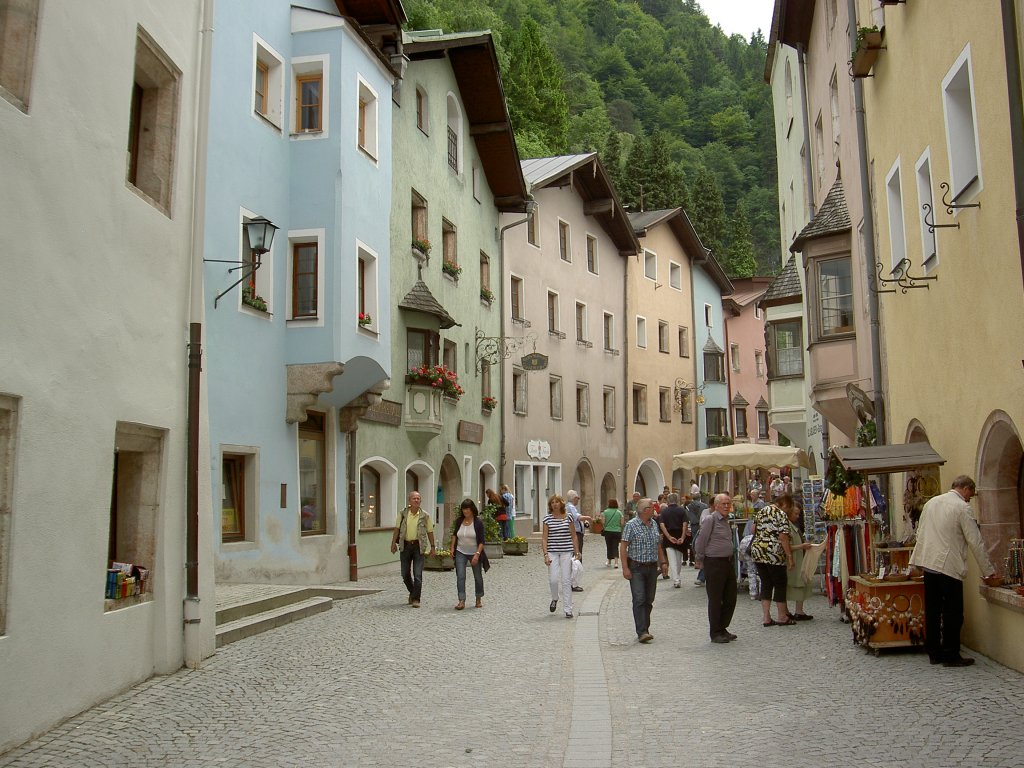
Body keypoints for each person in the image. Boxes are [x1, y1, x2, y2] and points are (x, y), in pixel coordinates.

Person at [910, 476, 1001, 667]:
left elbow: (920, 533)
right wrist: (989, 570)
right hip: (948, 566)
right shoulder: (962, 507)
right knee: (953, 613)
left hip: (929, 564)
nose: (970, 499)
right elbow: (975, 541)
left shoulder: (931, 503)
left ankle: (934, 652)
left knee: (933, 611)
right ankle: (951, 654)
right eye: (971, 494)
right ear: (966, 489)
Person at [619, 497, 668, 643]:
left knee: (649, 599)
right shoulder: (631, 525)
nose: (654, 509)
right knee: (639, 598)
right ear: (644, 510)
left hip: (652, 567)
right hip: (637, 568)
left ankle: (645, 627)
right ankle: (642, 631)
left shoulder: (654, 524)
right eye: (652, 507)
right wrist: (625, 568)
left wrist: (663, 562)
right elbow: (623, 547)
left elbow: (658, 545)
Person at [693, 493, 738, 643]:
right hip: (714, 563)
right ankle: (715, 632)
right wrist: (699, 559)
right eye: (723, 504)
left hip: (727, 562)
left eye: (728, 503)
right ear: (716, 505)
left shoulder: (726, 521)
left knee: (730, 597)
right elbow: (701, 540)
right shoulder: (710, 520)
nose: (726, 506)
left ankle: (722, 627)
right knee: (716, 598)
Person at [751, 493, 797, 627]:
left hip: (758, 551)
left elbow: (753, 529)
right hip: (774, 553)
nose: (788, 511)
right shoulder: (781, 514)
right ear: (785, 504)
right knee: (780, 584)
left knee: (766, 583)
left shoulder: (761, 510)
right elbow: (783, 537)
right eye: (789, 507)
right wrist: (789, 556)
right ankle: (782, 616)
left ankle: (766, 617)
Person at [390, 491, 436, 608]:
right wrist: (393, 543)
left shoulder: (425, 516)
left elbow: (430, 531)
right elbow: (396, 529)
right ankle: (412, 591)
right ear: (409, 501)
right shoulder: (403, 514)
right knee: (405, 573)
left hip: (418, 547)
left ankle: (416, 599)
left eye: (418, 498)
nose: (416, 500)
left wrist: (433, 547)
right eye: (414, 498)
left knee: (417, 574)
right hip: (405, 546)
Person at [542, 494, 579, 619]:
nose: (554, 504)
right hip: (552, 551)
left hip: (566, 551)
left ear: (561, 503)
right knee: (553, 579)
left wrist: (577, 551)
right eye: (552, 502)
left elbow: (574, 535)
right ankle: (555, 598)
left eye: (557, 502)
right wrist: (546, 554)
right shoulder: (547, 519)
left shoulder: (568, 517)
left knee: (566, 580)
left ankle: (568, 609)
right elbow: (544, 538)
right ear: (550, 505)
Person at [449, 498, 489, 610]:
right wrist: (452, 548)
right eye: (463, 509)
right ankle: (461, 600)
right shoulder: (459, 521)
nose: (465, 511)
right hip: (460, 551)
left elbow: (482, 541)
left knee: (477, 576)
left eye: (467, 509)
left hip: (474, 552)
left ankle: (478, 597)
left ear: (472, 509)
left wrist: (477, 554)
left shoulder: (478, 522)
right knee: (460, 575)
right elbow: (454, 535)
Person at [784, 501, 814, 620]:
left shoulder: (793, 525)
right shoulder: (786, 527)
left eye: (798, 514)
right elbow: (786, 545)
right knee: (792, 585)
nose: (797, 516)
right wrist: (802, 546)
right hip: (792, 561)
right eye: (795, 514)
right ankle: (790, 611)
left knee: (800, 583)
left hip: (798, 559)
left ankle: (798, 610)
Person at [658, 492, 689, 588]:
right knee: (678, 559)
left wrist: (668, 536)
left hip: (669, 536)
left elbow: (662, 525)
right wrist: (683, 537)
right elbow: (685, 524)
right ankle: (677, 577)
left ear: (668, 501)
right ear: (677, 500)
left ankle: (676, 579)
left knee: (672, 560)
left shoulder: (664, 511)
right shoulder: (682, 510)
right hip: (679, 535)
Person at [686, 494, 709, 581]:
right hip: (702, 525)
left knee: (695, 542)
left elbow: (687, 515)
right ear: (700, 498)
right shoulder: (704, 506)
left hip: (693, 525)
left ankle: (696, 561)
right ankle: (698, 562)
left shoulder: (689, 506)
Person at [601, 498, 624, 568]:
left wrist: (605, 526)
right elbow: (622, 523)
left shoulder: (605, 512)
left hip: (608, 531)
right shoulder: (619, 512)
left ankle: (609, 561)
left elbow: (603, 522)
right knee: (615, 546)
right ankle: (616, 563)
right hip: (617, 531)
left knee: (609, 546)